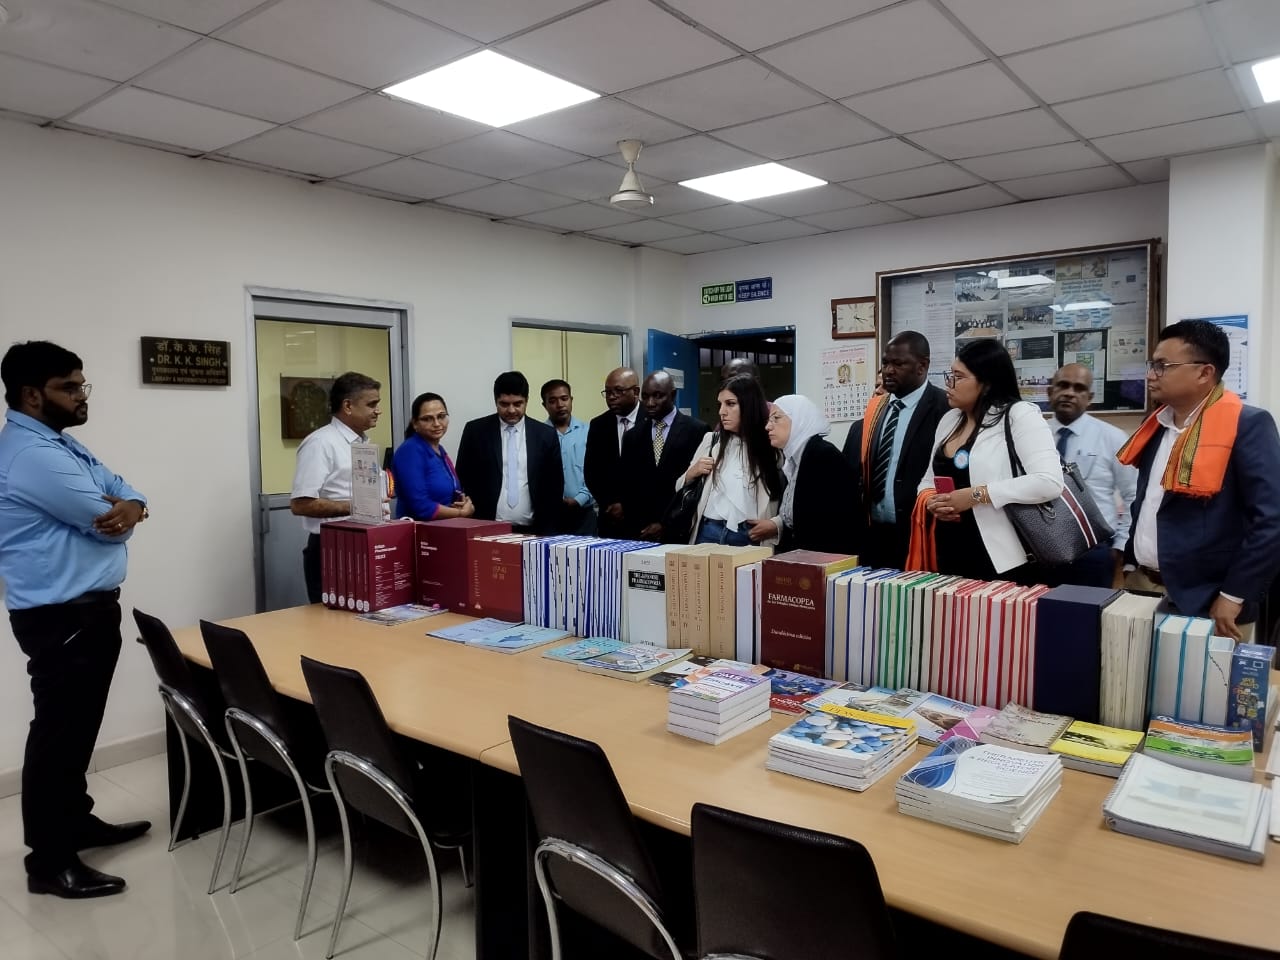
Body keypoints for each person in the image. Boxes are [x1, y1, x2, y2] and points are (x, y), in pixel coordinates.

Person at [0, 341, 152, 899]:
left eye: (81, 384)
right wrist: (126, 514)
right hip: (61, 615)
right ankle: (49, 861)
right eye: (69, 387)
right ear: (31, 395)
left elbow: (125, 492)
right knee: (58, 735)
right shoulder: (31, 455)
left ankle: (76, 822)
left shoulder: (59, 443)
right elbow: (103, 522)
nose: (82, 395)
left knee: (77, 728)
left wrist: (132, 505)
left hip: (84, 611)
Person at [1120, 319, 1280, 640]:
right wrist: (1129, 565)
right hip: (1143, 586)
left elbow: (1271, 520)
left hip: (1211, 600)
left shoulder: (1248, 425)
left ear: (1204, 373)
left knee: (1202, 677)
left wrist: (1234, 596)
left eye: (1163, 366)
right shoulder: (1156, 425)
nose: (1151, 375)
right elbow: (1148, 502)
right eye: (1152, 365)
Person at [912, 339, 1063, 582]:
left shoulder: (1018, 415)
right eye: (950, 375)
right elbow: (927, 480)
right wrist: (932, 501)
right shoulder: (949, 420)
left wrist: (975, 495)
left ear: (987, 383)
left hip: (1002, 556)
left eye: (959, 377)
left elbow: (1049, 482)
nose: (949, 384)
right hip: (948, 549)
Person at [843, 332, 949, 569]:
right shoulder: (877, 408)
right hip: (874, 534)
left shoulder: (944, 408)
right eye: (885, 363)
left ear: (922, 366)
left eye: (898, 364)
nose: (888, 371)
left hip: (920, 533)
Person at [290, 371, 381, 604]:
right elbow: (301, 504)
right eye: (371, 404)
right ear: (348, 406)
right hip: (330, 549)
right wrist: (356, 507)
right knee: (331, 620)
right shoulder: (321, 443)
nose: (377, 411)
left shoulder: (362, 443)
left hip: (363, 543)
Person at [1044, 363, 1136, 588]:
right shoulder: (1033, 435)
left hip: (1094, 552)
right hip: (1041, 550)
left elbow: (1133, 495)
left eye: (1079, 388)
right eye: (1063, 385)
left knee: (1089, 610)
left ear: (1090, 398)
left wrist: (1120, 548)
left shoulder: (1112, 437)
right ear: (1050, 392)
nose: (1069, 393)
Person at [677, 375, 782, 546]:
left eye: (730, 404)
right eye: (720, 404)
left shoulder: (772, 446)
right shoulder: (712, 441)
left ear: (749, 405)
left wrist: (776, 524)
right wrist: (693, 472)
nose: (722, 412)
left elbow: (789, 497)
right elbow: (679, 486)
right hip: (707, 531)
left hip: (750, 535)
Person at [456, 371, 563, 534]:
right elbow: (462, 477)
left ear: (527, 401)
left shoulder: (545, 434)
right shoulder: (475, 431)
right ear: (495, 401)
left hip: (535, 530)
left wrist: (550, 527)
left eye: (518, 404)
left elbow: (555, 485)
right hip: (485, 527)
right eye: (504, 404)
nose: (511, 410)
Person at [760, 394, 860, 554]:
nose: (768, 427)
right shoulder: (793, 459)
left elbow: (834, 522)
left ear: (799, 420)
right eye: (769, 420)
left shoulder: (823, 456)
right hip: (803, 556)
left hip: (824, 558)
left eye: (776, 418)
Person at [620, 371, 709, 541]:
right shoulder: (633, 436)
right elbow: (628, 486)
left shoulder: (697, 431)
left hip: (680, 530)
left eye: (658, 396)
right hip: (641, 531)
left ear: (673, 395)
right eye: (645, 397)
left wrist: (666, 524)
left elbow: (697, 487)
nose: (650, 403)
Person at [392, 392, 473, 521]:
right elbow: (420, 506)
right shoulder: (410, 450)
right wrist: (460, 513)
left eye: (441, 416)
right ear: (415, 423)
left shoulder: (439, 449)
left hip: (445, 527)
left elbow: (451, 492)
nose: (436, 423)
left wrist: (465, 502)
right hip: (418, 529)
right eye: (427, 419)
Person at [584, 367, 643, 539]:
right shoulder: (598, 425)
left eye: (618, 391)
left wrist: (628, 506)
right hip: (610, 518)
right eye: (608, 392)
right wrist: (610, 503)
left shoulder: (652, 420)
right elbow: (591, 472)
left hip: (645, 519)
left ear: (636, 392)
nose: (611, 397)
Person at [541, 378, 595, 535]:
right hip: (550, 516)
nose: (560, 405)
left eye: (564, 399)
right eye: (552, 401)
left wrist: (580, 499)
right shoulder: (538, 435)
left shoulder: (589, 432)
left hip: (585, 514)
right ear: (544, 405)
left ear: (571, 400)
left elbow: (598, 472)